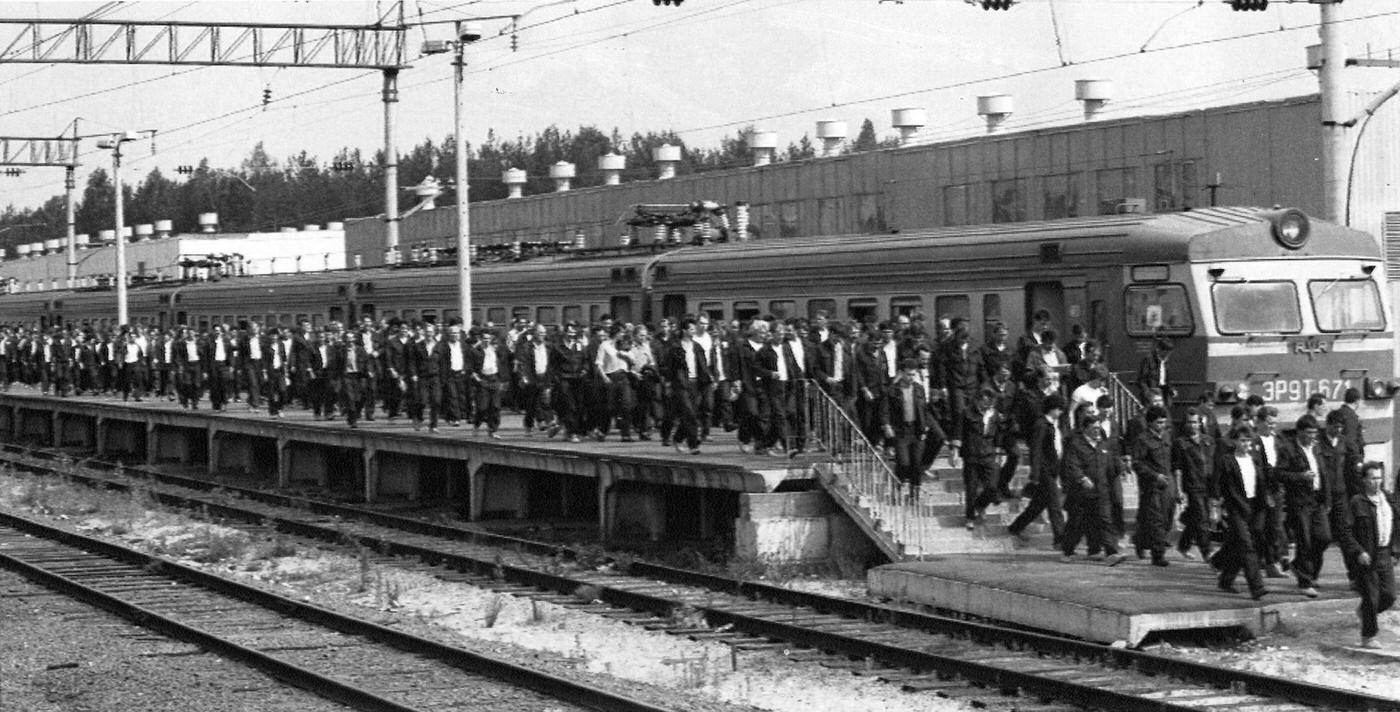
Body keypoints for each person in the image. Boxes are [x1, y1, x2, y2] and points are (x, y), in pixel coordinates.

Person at [1337, 462, 1398, 648]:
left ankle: (1365, 613)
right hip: (1367, 556)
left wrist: (1395, 551)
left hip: (1385, 553)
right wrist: (1359, 551)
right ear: (1364, 480)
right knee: (1371, 597)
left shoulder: (1388, 498)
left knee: (1389, 595)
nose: (1377, 482)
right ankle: (1368, 636)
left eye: (1379, 477)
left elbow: (1396, 525)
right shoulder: (1357, 502)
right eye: (1372, 478)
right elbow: (1345, 531)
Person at [1276, 415, 1335, 598]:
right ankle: (1305, 582)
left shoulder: (1316, 448)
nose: (1312, 437)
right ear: (1300, 432)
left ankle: (1300, 566)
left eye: (1314, 433)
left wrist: (1327, 499)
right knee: (1305, 541)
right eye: (1309, 433)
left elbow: (1323, 473)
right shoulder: (1288, 449)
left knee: (1324, 537)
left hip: (1317, 501)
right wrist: (1300, 476)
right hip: (1299, 501)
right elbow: (1279, 473)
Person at [1059, 409, 1125, 565]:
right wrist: (1081, 478)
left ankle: (1111, 552)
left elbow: (1110, 464)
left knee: (1105, 520)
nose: (1097, 431)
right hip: (1081, 493)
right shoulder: (1076, 445)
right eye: (1094, 428)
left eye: (1099, 428)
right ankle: (1067, 550)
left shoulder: (1102, 444)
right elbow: (1071, 465)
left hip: (1101, 490)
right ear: (1085, 429)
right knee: (1077, 523)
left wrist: (1119, 468)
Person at [1213, 426, 1270, 600]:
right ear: (1234, 441)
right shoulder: (1227, 460)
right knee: (1246, 545)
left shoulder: (1254, 460)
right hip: (1236, 506)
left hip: (1255, 506)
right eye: (1242, 440)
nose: (1245, 444)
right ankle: (1257, 587)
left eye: (1248, 441)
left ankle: (1225, 578)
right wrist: (1215, 504)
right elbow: (1217, 483)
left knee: (1237, 544)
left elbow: (1263, 480)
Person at [1007, 394, 1066, 546]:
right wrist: (1035, 473)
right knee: (1055, 505)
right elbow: (1036, 449)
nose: (1060, 412)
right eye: (1059, 409)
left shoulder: (1051, 424)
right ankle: (1060, 539)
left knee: (1038, 504)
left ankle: (1015, 527)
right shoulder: (1041, 424)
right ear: (1053, 408)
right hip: (1045, 470)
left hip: (1052, 469)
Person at [1131, 404, 1176, 566]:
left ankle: (1139, 540)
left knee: (1166, 516)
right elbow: (1137, 463)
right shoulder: (1142, 440)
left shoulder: (1167, 437)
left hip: (1168, 483)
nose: (1161, 425)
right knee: (1156, 519)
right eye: (1158, 422)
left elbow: (1172, 459)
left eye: (1164, 422)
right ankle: (1158, 555)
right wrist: (1154, 476)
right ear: (1150, 423)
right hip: (1151, 484)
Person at [881, 358, 932, 501]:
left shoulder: (918, 388)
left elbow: (924, 409)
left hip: (916, 430)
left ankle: (914, 493)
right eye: (909, 374)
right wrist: (887, 425)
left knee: (916, 463)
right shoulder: (893, 390)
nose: (911, 378)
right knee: (903, 462)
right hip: (901, 430)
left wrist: (925, 426)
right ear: (902, 373)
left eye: (913, 375)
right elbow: (884, 410)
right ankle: (898, 485)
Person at [1173, 411, 1215, 561]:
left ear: (1200, 423)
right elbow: (1177, 467)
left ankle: (1183, 545)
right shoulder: (1180, 443)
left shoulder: (1208, 441)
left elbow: (1213, 463)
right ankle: (1207, 551)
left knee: (1194, 517)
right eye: (1189, 422)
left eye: (1195, 422)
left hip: (1207, 484)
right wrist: (1178, 489)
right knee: (1202, 518)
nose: (1193, 425)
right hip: (1191, 485)